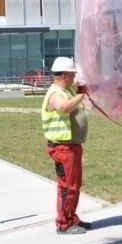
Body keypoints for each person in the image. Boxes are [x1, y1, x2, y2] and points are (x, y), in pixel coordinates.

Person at [41, 56, 92, 234]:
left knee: (75, 184)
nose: (74, 78)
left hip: (72, 146)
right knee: (67, 186)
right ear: (64, 76)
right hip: (62, 147)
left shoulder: (67, 91)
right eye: (72, 75)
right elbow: (63, 108)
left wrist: (80, 90)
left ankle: (71, 217)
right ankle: (64, 223)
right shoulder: (55, 93)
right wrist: (81, 94)